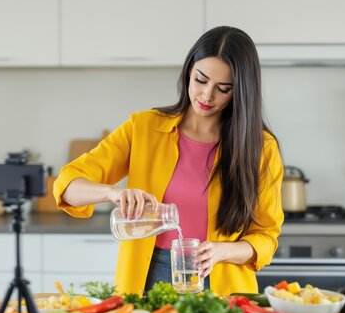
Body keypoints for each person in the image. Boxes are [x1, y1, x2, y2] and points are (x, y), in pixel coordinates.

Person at [53, 26, 284, 296]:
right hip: (147, 277)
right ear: (188, 71)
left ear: (241, 91)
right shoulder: (144, 128)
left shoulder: (261, 148)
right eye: (201, 80)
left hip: (223, 282)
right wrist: (113, 194)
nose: (207, 95)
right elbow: (67, 184)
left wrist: (222, 251)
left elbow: (266, 236)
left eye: (223, 88)